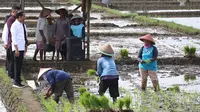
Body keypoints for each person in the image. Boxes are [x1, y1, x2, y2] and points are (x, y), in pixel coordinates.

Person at [2, 5, 20, 81]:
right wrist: (5, 42)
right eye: (17, 11)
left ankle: (11, 73)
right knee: (10, 59)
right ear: (14, 11)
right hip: (10, 41)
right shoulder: (9, 19)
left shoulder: (16, 19)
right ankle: (10, 74)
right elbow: (7, 31)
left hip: (13, 41)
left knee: (11, 59)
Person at [11, 11, 28, 88]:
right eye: (23, 16)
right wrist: (16, 49)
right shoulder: (14, 25)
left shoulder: (22, 25)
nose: (24, 17)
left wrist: (25, 46)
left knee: (20, 65)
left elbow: (24, 36)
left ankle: (18, 80)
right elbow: (14, 38)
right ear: (19, 17)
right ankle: (16, 82)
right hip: (17, 48)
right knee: (17, 65)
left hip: (21, 47)